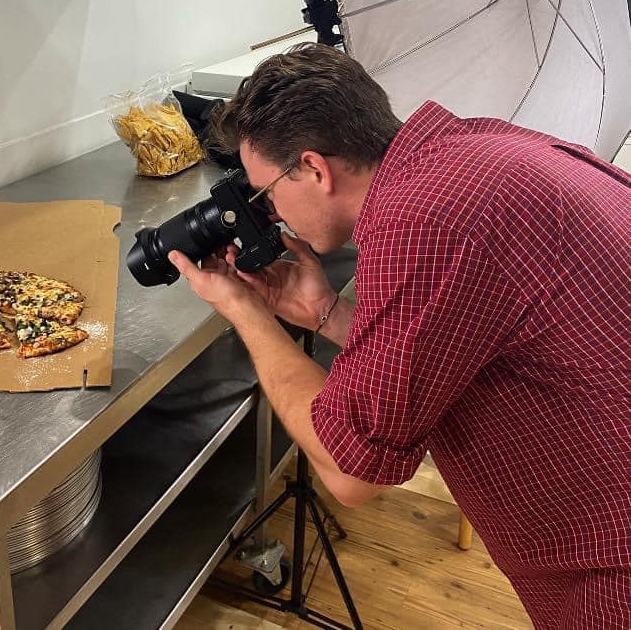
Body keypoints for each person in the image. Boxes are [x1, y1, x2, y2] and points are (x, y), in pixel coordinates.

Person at [168, 43, 631, 630]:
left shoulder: (420, 224)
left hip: (609, 562)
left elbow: (350, 472)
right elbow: (447, 343)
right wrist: (324, 313)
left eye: (267, 192)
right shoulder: (470, 151)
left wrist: (246, 313)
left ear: (314, 168)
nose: (272, 214)